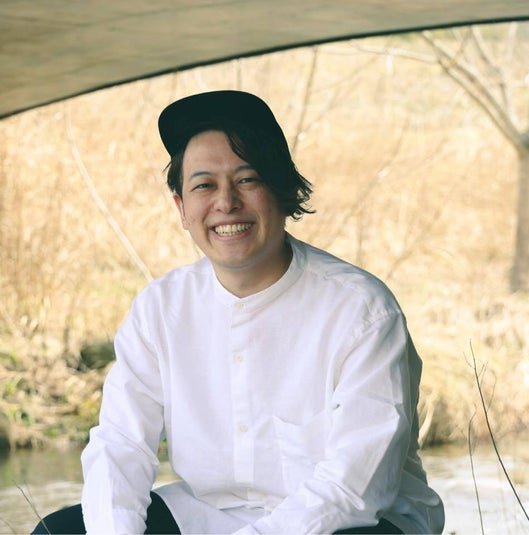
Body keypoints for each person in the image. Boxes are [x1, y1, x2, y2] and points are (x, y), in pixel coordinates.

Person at [32, 90, 444, 534]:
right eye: (204, 185)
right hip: (211, 515)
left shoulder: (361, 311)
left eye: (247, 180)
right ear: (182, 208)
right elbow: (120, 445)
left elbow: (353, 489)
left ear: (283, 190)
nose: (226, 203)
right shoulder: (160, 310)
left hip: (353, 522)